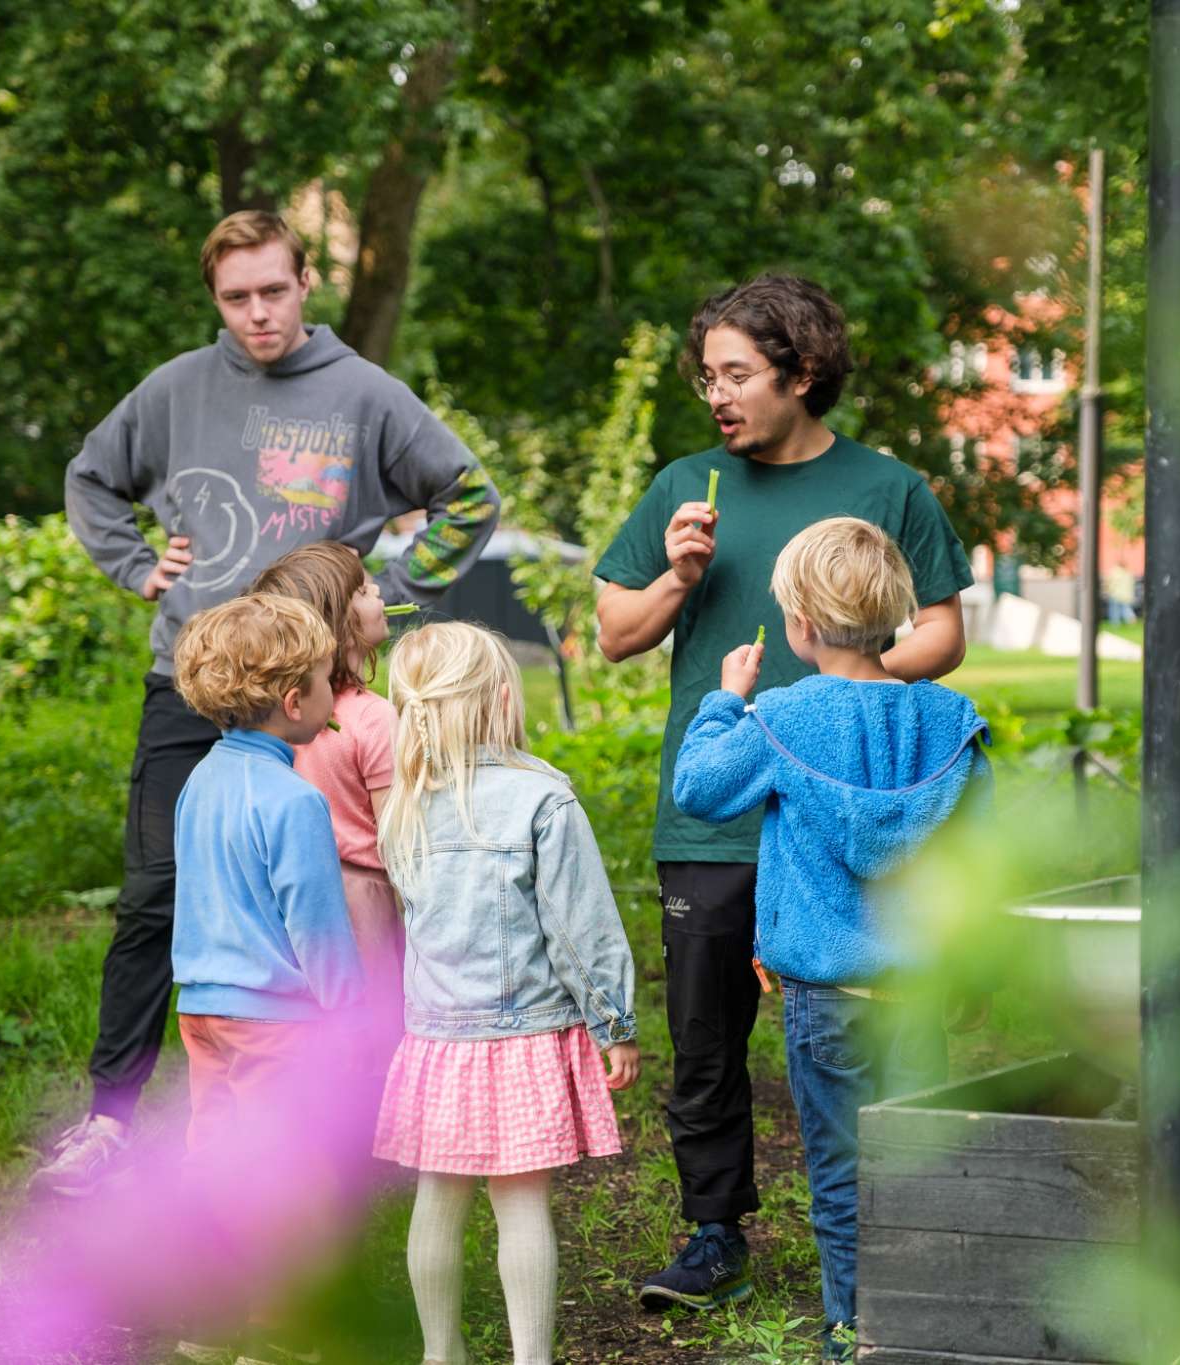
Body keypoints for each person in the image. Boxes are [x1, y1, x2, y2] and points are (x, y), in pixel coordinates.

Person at [44, 209, 501, 1195]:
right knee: (153, 894)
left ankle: (354, 1106)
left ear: (304, 284)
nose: (256, 312)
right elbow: (91, 479)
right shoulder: (175, 390)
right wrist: (135, 563)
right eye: (235, 296)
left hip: (314, 694)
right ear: (215, 297)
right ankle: (111, 1120)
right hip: (190, 683)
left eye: (272, 290)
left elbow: (467, 496)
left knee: (348, 880)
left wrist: (387, 589)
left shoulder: (363, 395)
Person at [593, 274, 974, 1308]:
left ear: (798, 374)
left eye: (736, 374)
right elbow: (612, 634)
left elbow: (942, 629)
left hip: (834, 814)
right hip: (713, 817)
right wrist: (674, 576)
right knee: (706, 1041)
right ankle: (713, 1236)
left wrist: (840, 700)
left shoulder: (889, 488)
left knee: (869, 1023)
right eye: (705, 376)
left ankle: (898, 1230)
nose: (715, 396)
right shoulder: (685, 484)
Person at [672, 517, 991, 1361]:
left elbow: (697, 788)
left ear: (799, 626)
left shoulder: (779, 719)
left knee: (843, 1176)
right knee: (919, 1166)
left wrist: (724, 698)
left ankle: (854, 1333)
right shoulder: (948, 720)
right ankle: (925, 1327)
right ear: (896, 615)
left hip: (827, 999)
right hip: (918, 991)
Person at [371, 623, 640, 1365]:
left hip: (436, 1041)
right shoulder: (542, 799)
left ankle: (439, 1353)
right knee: (521, 1205)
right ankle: (531, 1359)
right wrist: (613, 1021)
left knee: (439, 1199)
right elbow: (581, 928)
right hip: (522, 1039)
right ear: (498, 697)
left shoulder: (403, 808)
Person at [166, 591, 365, 1155]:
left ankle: (198, 1242)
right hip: (272, 1021)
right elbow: (317, 926)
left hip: (202, 1005)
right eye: (329, 680)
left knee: (214, 1150)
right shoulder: (294, 800)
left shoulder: (199, 780)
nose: (336, 692)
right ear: (295, 701)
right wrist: (350, 1014)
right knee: (279, 1166)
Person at [247, 541, 403, 1061]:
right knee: (377, 1044)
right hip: (366, 903)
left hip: (294, 899)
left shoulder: (279, 717)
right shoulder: (374, 717)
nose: (378, 590)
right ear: (339, 622)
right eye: (363, 588)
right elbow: (398, 838)